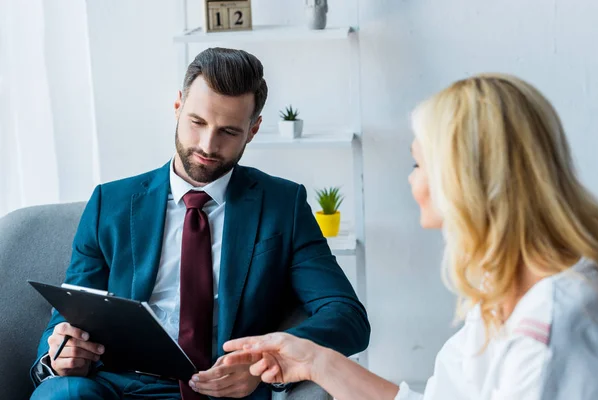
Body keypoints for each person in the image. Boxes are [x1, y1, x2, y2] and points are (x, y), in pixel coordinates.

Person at [221, 74, 598, 400]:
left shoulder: (552, 325)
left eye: (419, 163)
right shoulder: (504, 294)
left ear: (463, 179)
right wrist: (317, 361)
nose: (411, 178)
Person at [29, 47, 370, 400]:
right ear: (178, 107)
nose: (208, 145)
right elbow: (72, 308)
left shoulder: (284, 206)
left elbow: (347, 317)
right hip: (118, 385)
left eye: (228, 131)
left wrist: (264, 359)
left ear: (253, 130)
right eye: (197, 122)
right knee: (61, 393)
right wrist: (60, 354)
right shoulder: (109, 203)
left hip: (226, 390)